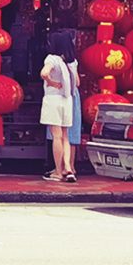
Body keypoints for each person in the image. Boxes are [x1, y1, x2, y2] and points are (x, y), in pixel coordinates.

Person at [40, 30, 80, 183]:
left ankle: (57, 171)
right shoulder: (72, 61)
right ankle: (68, 168)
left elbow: (44, 73)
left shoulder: (52, 59)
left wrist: (51, 82)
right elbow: (76, 83)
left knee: (56, 136)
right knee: (65, 137)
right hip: (68, 100)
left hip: (54, 99)